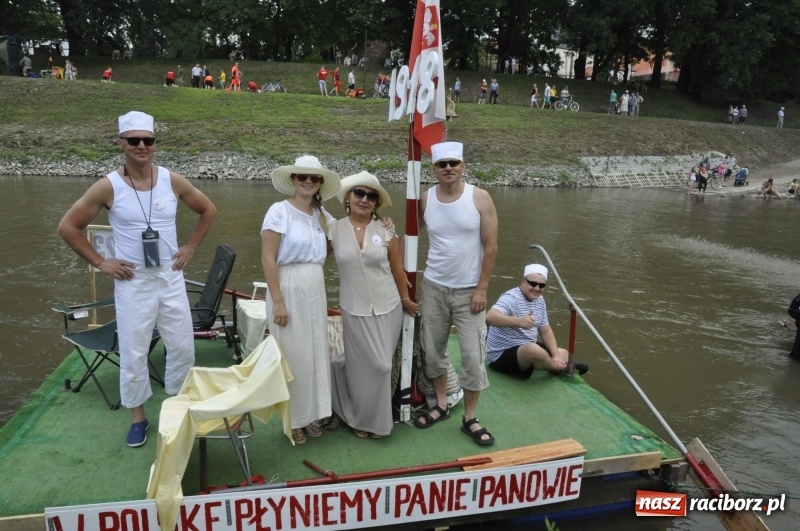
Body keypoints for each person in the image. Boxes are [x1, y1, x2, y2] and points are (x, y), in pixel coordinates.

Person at [57, 111, 217, 447]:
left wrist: (190, 246)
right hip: (133, 282)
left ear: (155, 144)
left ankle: (177, 408)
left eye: (148, 140)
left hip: (171, 278)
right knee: (133, 351)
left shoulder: (171, 180)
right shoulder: (107, 186)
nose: (142, 146)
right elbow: (68, 228)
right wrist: (102, 262)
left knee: (183, 348)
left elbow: (208, 210)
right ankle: (139, 418)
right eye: (134, 140)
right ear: (121, 144)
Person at [413, 141, 499, 447]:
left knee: (473, 358)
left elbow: (490, 247)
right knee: (433, 352)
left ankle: (470, 417)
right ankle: (441, 404)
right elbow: (410, 236)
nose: (448, 168)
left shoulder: (480, 198)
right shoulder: (424, 200)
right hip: (434, 286)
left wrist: (482, 288)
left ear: (462, 166)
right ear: (433, 169)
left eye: (453, 163)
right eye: (441, 164)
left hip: (469, 292)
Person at [328, 172, 419, 439]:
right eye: (359, 193)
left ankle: (373, 418)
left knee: (380, 365)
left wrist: (406, 301)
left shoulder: (386, 230)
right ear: (348, 197)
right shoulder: (332, 229)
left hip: (388, 306)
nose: (364, 200)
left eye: (371, 196)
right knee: (358, 368)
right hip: (353, 308)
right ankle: (361, 419)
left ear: (376, 203)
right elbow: (313, 257)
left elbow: (397, 269)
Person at [261, 155, 341, 445]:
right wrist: (278, 301)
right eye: (302, 176)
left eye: (314, 177)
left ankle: (311, 415)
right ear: (293, 180)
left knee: (314, 353)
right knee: (292, 355)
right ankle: (292, 418)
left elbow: (339, 240)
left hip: (314, 285)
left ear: (320, 183)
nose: (308, 181)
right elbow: (268, 258)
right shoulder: (278, 211)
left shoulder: (322, 215)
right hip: (287, 285)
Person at [486, 264, 588, 380]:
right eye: (533, 283)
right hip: (500, 356)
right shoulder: (511, 298)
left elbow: (546, 331)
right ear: (524, 282)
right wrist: (518, 321)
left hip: (526, 347)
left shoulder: (540, 300)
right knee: (533, 350)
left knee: (563, 353)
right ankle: (560, 368)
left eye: (541, 285)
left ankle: (554, 363)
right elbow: (489, 317)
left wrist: (556, 356)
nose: (537, 288)